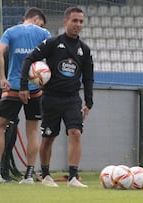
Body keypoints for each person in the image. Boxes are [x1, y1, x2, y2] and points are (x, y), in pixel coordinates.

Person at [19, 6, 93, 188]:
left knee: (75, 133)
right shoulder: (52, 43)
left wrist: (89, 102)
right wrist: (23, 86)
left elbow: (89, 77)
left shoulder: (84, 49)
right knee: (48, 138)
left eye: (81, 21)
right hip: (51, 97)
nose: (78, 24)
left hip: (72, 99)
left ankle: (73, 177)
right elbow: (29, 59)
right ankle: (46, 176)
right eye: (74, 20)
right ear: (65, 21)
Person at [0, 7, 51, 184]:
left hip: (13, 87)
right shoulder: (44, 33)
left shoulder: (11, 31)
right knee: (32, 131)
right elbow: (52, 56)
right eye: (41, 22)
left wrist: (2, 78)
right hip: (35, 89)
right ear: (37, 19)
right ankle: (28, 176)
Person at [0, 48, 22, 182]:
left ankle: (5, 171)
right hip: (0, 98)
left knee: (11, 136)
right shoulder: (11, 52)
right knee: (5, 134)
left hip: (10, 98)